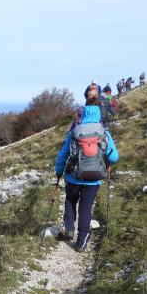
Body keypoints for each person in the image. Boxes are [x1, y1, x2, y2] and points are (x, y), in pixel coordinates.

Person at [54, 98, 119, 252]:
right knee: (86, 207)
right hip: (94, 178)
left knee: (70, 200)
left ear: (82, 115)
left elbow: (62, 155)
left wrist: (58, 172)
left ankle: (69, 229)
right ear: (99, 115)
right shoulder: (104, 133)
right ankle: (82, 240)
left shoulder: (74, 132)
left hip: (73, 177)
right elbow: (114, 157)